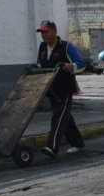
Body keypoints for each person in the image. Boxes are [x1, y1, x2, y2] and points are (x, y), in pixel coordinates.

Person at [34, 20, 85, 158]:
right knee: (64, 116)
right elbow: (40, 63)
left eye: (46, 32)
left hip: (65, 88)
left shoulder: (66, 47)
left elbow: (82, 63)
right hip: (51, 89)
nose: (43, 35)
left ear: (54, 32)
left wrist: (71, 66)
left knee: (58, 116)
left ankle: (53, 147)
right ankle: (77, 143)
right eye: (42, 32)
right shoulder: (42, 47)